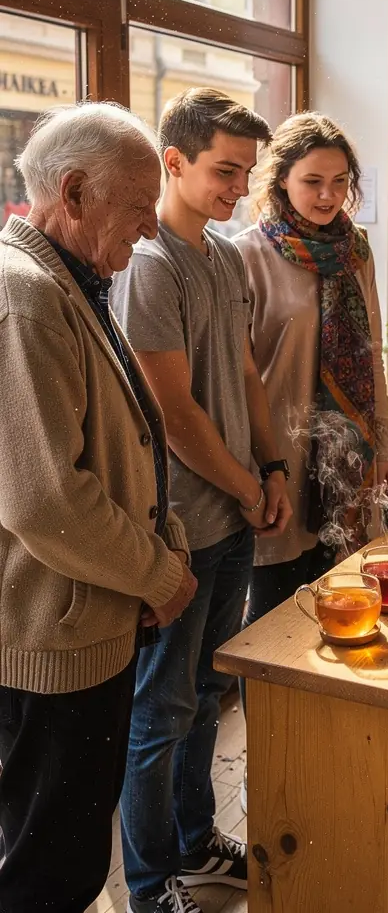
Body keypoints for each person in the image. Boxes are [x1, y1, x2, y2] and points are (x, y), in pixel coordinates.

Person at [0, 104, 197, 913]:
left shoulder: (74, 279)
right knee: (47, 872)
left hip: (90, 627)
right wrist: (160, 575)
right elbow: (47, 500)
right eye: (139, 207)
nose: (151, 230)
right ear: (73, 192)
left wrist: (166, 551)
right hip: (53, 645)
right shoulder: (26, 296)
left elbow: (127, 445)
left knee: (73, 855)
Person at [111, 88, 293, 913]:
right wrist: (250, 486)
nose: (237, 188)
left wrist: (275, 466)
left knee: (204, 702)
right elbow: (173, 414)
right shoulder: (150, 264)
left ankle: (192, 841)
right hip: (180, 528)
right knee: (158, 715)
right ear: (172, 163)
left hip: (234, 519)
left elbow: (247, 376)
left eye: (246, 173)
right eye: (225, 171)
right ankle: (151, 888)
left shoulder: (222, 257)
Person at [234, 111, 388, 663]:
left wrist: (385, 447)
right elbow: (240, 375)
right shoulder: (244, 255)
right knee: (276, 627)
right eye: (312, 181)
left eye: (340, 181)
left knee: (345, 614)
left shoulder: (357, 252)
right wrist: (258, 468)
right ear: (281, 178)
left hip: (346, 461)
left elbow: (371, 355)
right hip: (277, 458)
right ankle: (274, 751)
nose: (329, 195)